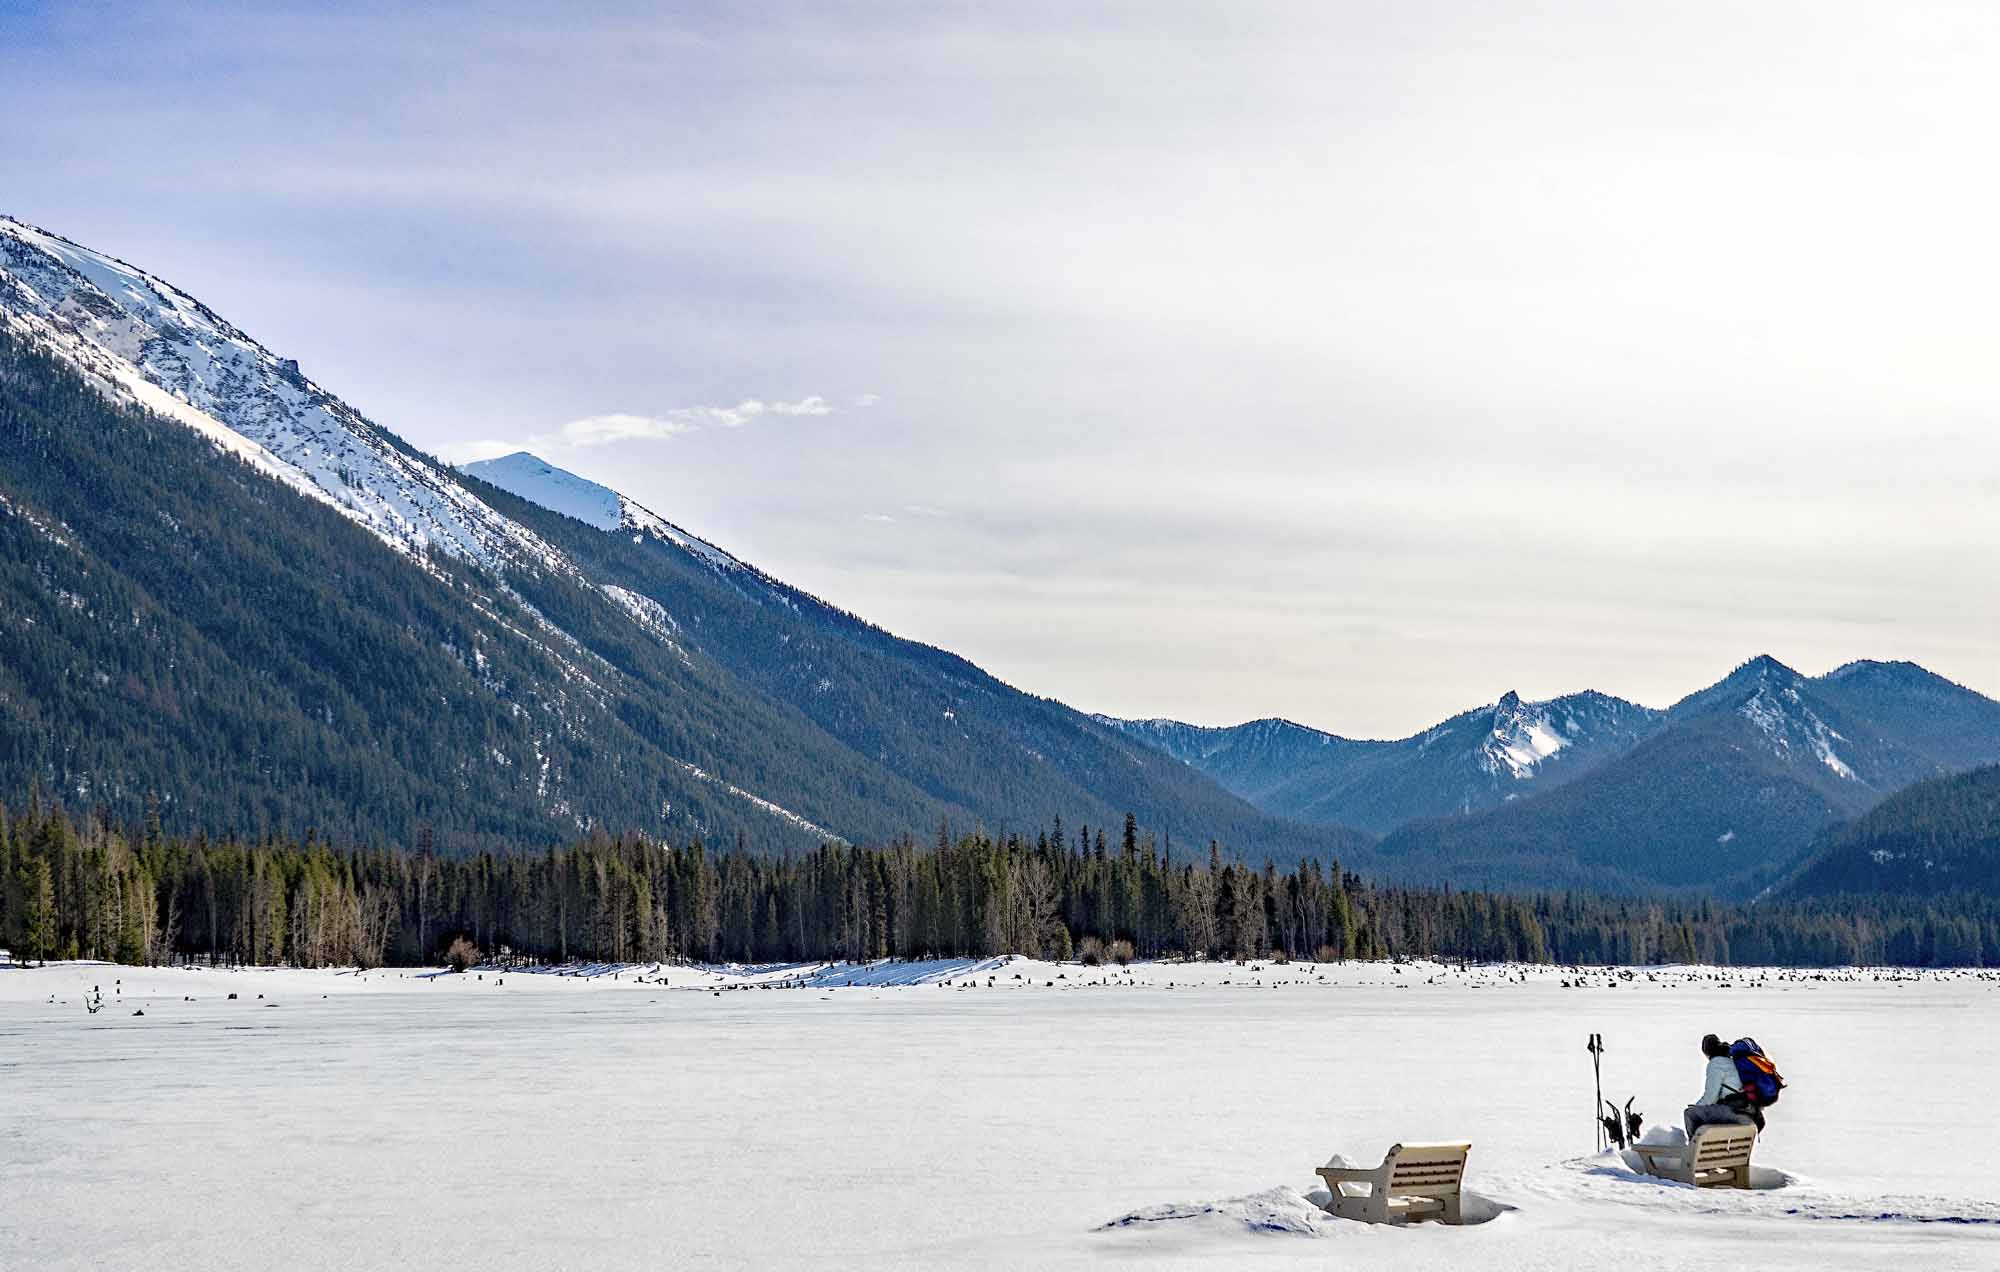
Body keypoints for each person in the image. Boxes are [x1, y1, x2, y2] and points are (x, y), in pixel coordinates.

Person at [1683, 1032, 1761, 1138]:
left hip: (1734, 1112)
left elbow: (1710, 1097)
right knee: (1711, 1112)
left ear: (1707, 1051)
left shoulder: (1716, 1063)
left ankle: (1695, 1149)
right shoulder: (1733, 1060)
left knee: (1691, 1114)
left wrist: (1696, 1107)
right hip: (1751, 1113)